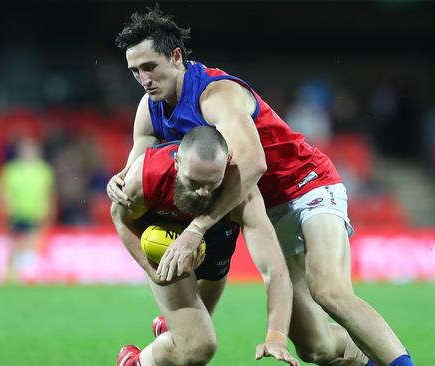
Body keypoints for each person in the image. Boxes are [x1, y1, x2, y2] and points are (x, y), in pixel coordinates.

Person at [108, 7, 413, 366]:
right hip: (262, 207)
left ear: (176, 56)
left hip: (306, 185)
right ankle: (364, 356)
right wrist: (121, 178)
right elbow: (140, 158)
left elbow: (253, 164)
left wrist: (198, 227)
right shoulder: (151, 105)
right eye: (135, 71)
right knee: (315, 348)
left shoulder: (215, 95)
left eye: (149, 67)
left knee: (329, 291)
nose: (143, 78)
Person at [111, 127, 298, 366]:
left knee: (190, 337)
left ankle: (170, 327)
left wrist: (277, 337)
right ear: (177, 161)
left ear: (227, 164)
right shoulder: (147, 174)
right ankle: (133, 363)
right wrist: (156, 273)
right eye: (194, 182)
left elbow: (276, 270)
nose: (202, 192)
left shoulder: (243, 194)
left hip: (217, 252)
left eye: (212, 184)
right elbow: (120, 217)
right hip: (167, 248)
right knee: (198, 347)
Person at [0, 137, 56, 282]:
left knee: (33, 243)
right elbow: (2, 191)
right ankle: (11, 274)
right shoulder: (11, 170)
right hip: (16, 213)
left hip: (36, 213)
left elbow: (49, 192)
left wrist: (49, 209)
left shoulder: (43, 170)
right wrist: (6, 206)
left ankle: (23, 273)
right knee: (15, 244)